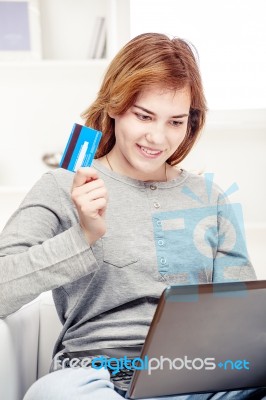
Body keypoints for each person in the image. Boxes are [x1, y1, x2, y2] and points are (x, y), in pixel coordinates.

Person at [0, 33, 265, 400]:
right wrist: (83, 237)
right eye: (144, 116)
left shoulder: (211, 199)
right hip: (92, 378)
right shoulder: (63, 186)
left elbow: (241, 320)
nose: (158, 138)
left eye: (175, 122)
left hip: (191, 379)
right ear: (114, 106)